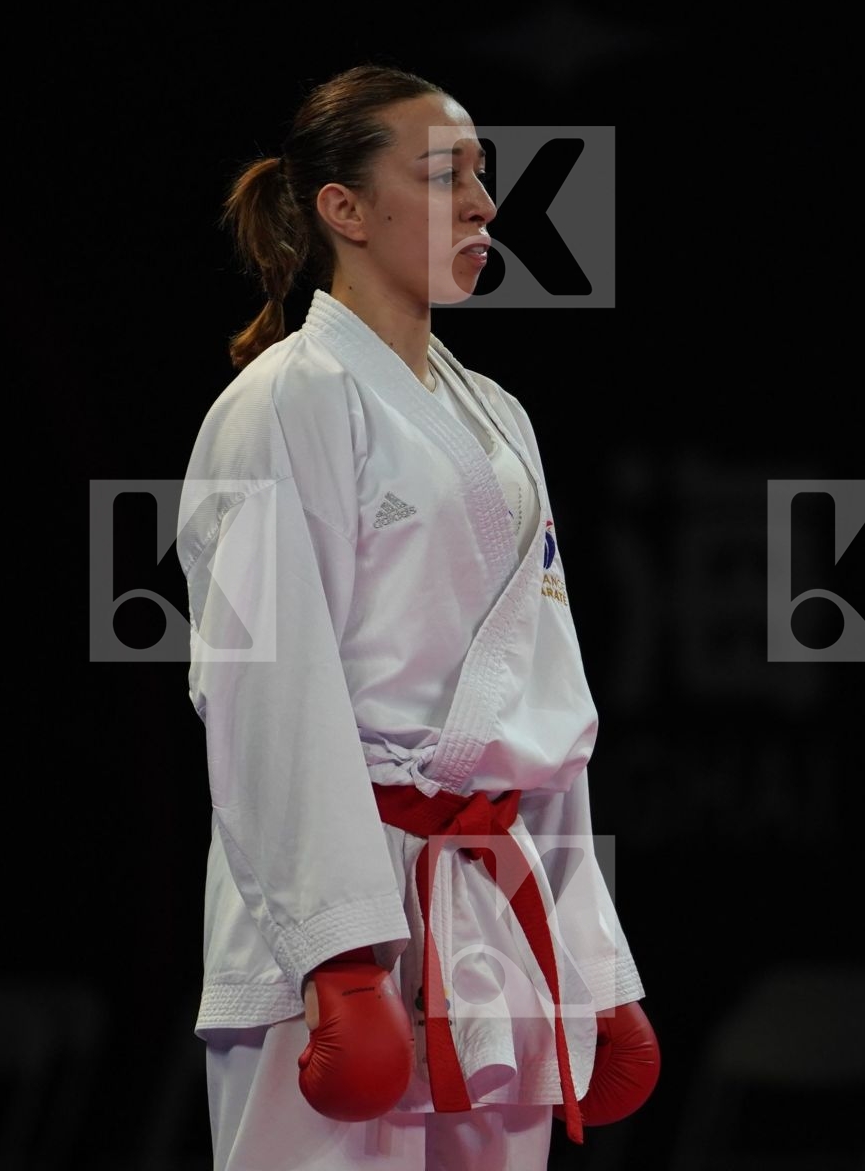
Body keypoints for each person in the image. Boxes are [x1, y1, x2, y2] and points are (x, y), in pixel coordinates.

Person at [178, 64, 659, 1171]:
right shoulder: (278, 405)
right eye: (447, 175)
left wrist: (593, 963)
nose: (486, 205)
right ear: (342, 209)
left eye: (483, 177)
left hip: (489, 910)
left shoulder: (500, 419)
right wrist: (339, 953)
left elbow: (549, 710)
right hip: (331, 901)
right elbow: (262, 693)